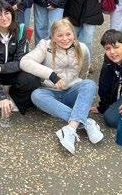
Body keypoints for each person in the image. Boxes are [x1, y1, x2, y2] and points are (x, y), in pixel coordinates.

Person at [20, 18, 102, 154]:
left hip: (71, 93)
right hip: (50, 93)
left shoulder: (82, 48)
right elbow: (24, 62)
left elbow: (84, 71)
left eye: (68, 34)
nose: (65, 39)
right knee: (36, 95)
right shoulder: (45, 46)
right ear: (53, 37)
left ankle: (70, 129)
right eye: (60, 35)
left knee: (89, 84)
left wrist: (80, 86)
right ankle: (85, 121)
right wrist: (51, 75)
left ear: (73, 34)